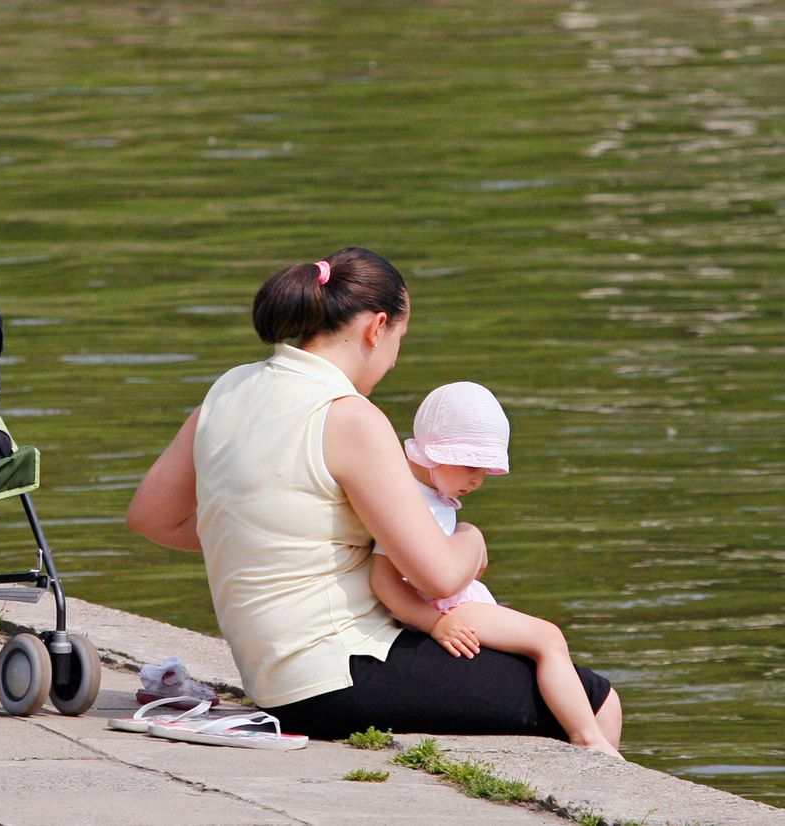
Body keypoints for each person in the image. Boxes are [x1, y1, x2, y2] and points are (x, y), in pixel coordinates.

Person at [126, 247, 622, 750]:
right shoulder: (348, 416)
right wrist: (472, 539)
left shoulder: (228, 390)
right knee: (596, 699)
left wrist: (265, 540)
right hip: (340, 674)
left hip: (272, 676)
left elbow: (152, 519)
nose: (393, 360)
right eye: (399, 340)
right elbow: (441, 574)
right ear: (376, 328)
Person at [369, 381, 623, 757]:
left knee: (538, 646)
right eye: (470, 465)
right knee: (548, 638)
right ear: (434, 455)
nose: (478, 479)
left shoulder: (425, 493)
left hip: (448, 605)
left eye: (485, 469)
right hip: (444, 610)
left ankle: (590, 737)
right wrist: (434, 623)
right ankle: (588, 738)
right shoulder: (410, 500)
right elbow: (383, 579)